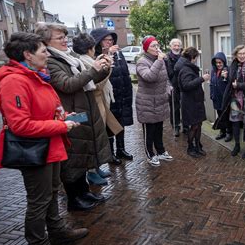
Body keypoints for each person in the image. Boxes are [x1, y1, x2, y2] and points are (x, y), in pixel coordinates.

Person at [0, 32, 88, 245]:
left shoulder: (34, 75)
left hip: (50, 144)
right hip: (35, 149)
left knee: (52, 193)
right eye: (43, 51)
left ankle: (57, 232)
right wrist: (60, 125)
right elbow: (20, 125)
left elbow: (43, 110)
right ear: (27, 55)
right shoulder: (14, 81)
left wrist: (64, 116)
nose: (47, 54)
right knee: (39, 202)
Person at [36, 23, 112, 211]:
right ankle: (74, 198)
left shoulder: (70, 58)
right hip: (71, 114)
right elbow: (68, 84)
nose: (64, 40)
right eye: (59, 37)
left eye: (64, 36)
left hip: (82, 112)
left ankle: (84, 191)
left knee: (84, 151)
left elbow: (88, 81)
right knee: (73, 157)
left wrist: (103, 69)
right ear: (47, 41)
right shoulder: (52, 61)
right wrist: (92, 70)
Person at [74, 33, 123, 186]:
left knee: (98, 133)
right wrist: (107, 69)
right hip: (92, 103)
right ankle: (91, 171)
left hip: (99, 101)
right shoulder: (85, 63)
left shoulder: (89, 60)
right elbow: (96, 84)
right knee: (91, 136)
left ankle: (95, 168)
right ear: (91, 48)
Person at [91, 28, 134, 163]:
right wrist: (108, 55)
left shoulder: (118, 54)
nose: (110, 42)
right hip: (107, 96)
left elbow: (124, 73)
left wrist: (128, 91)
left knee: (121, 123)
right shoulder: (96, 57)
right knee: (110, 125)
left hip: (121, 94)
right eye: (106, 40)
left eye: (111, 40)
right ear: (99, 42)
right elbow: (99, 76)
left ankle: (120, 149)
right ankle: (110, 154)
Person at [214, 45, 245, 159]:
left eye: (244, 53)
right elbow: (231, 82)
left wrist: (239, 85)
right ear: (236, 55)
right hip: (235, 100)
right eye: (239, 54)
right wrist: (225, 76)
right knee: (235, 122)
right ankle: (237, 145)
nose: (242, 56)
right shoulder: (233, 65)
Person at [136, 35, 173, 166]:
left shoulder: (160, 60)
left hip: (160, 101)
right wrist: (158, 61)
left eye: (157, 45)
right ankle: (150, 154)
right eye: (153, 46)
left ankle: (161, 151)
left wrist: (168, 89)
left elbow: (166, 78)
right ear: (146, 48)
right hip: (147, 103)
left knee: (159, 129)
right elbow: (149, 77)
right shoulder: (142, 62)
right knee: (149, 131)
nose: (157, 48)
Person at [178, 47, 210, 157]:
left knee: (199, 124)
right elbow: (186, 85)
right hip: (190, 103)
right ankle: (190, 147)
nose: (196, 60)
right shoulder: (186, 69)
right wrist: (202, 79)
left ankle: (197, 146)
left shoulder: (188, 67)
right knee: (194, 126)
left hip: (196, 101)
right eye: (196, 57)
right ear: (192, 58)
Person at [210, 51, 232, 142]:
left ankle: (229, 133)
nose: (218, 64)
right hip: (216, 98)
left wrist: (226, 78)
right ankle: (222, 131)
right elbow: (211, 83)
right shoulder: (213, 71)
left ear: (224, 62)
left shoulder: (227, 70)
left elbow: (230, 84)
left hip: (224, 98)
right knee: (220, 115)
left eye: (220, 62)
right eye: (217, 62)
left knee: (226, 116)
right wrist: (211, 94)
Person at [165, 38, 184, 137]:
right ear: (171, 46)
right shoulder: (167, 58)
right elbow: (166, 73)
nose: (176, 47)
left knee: (185, 106)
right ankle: (176, 125)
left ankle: (185, 125)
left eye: (178, 45)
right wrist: (168, 85)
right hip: (173, 86)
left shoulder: (184, 57)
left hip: (184, 85)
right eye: (174, 45)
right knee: (175, 107)